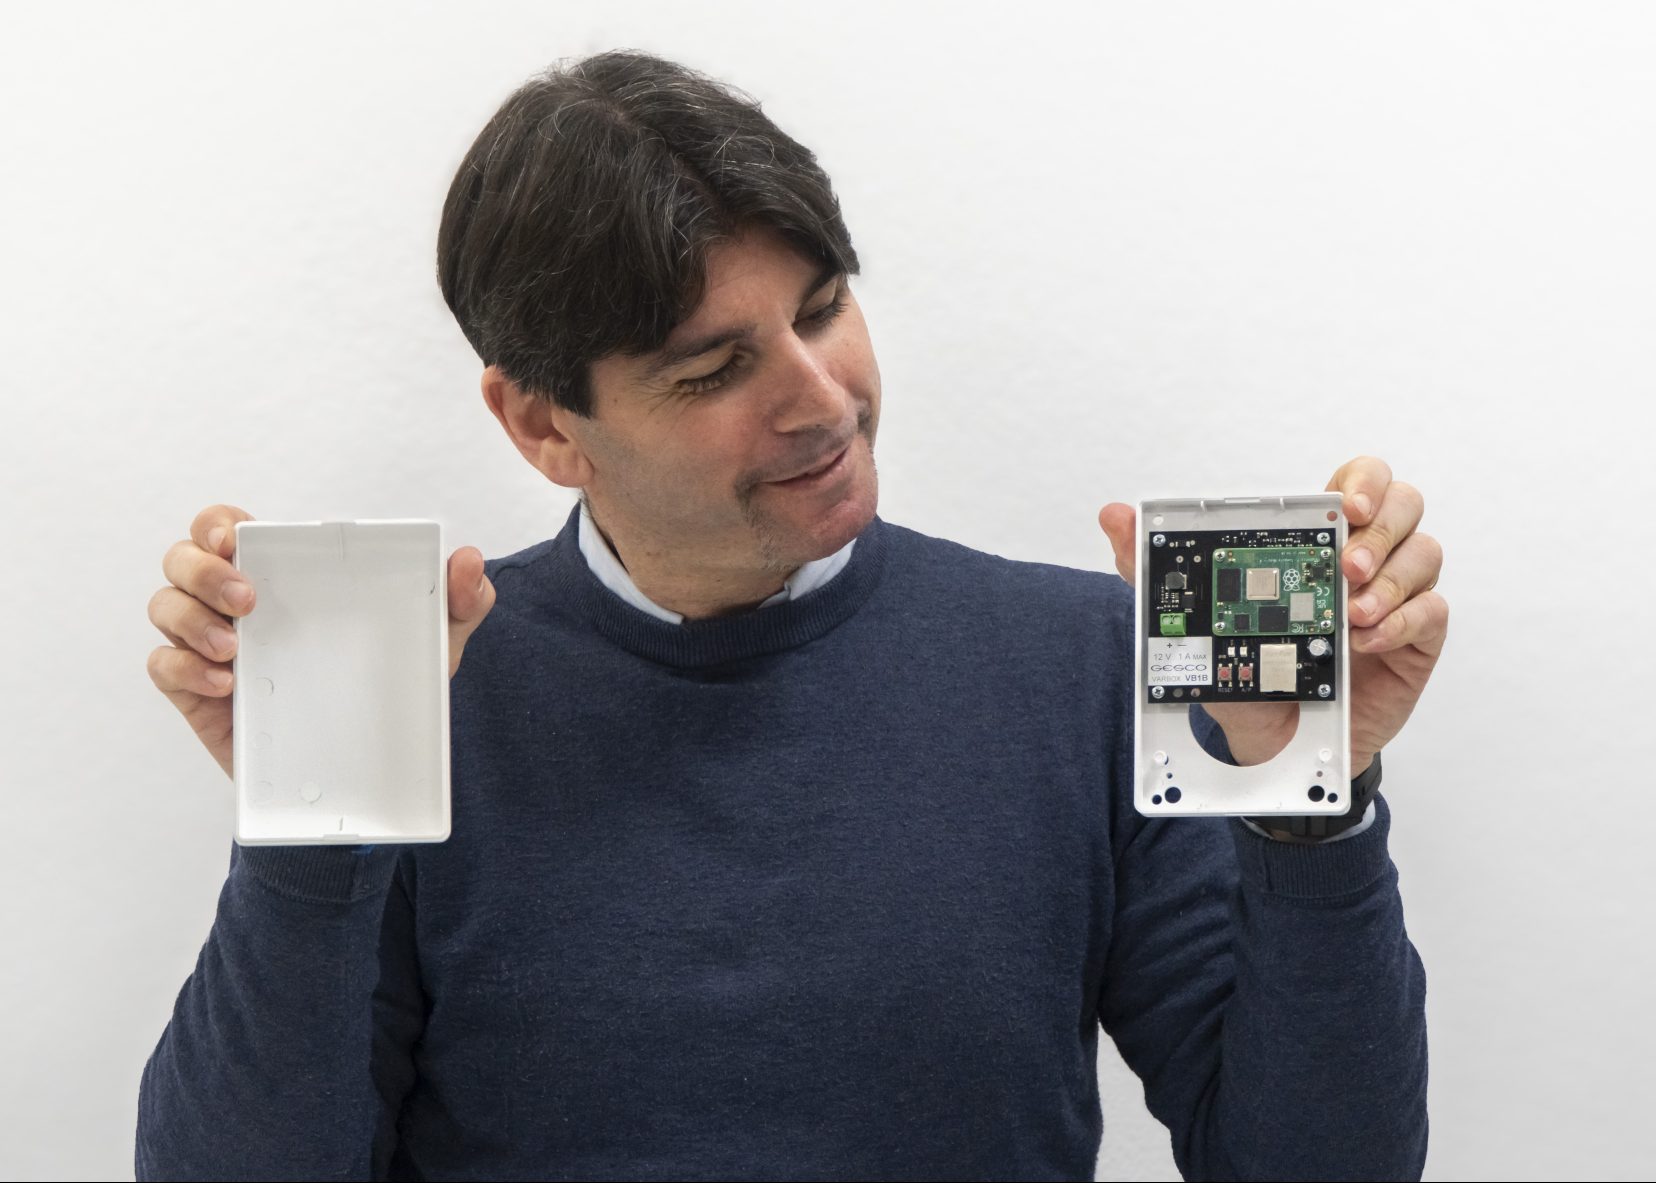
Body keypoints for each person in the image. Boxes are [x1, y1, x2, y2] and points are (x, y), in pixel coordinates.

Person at [138, 49, 1445, 1181]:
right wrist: (308, 821)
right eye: (715, 369)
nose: (824, 400)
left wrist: (1308, 793)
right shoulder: (422, 701)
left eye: (823, 309)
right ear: (542, 426)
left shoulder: (1085, 662)